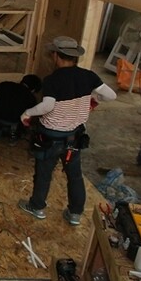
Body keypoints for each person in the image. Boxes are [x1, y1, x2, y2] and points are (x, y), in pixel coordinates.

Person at [18, 36, 117, 226]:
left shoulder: (52, 80)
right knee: (75, 176)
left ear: (56, 55)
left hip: (50, 137)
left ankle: (37, 207)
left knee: (44, 174)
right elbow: (111, 95)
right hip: (74, 137)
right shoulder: (89, 76)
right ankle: (75, 214)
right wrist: (94, 99)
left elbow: (47, 106)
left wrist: (27, 113)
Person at [0, 74, 41, 140]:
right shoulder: (32, 98)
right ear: (33, 90)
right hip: (13, 129)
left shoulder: (6, 84)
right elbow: (27, 119)